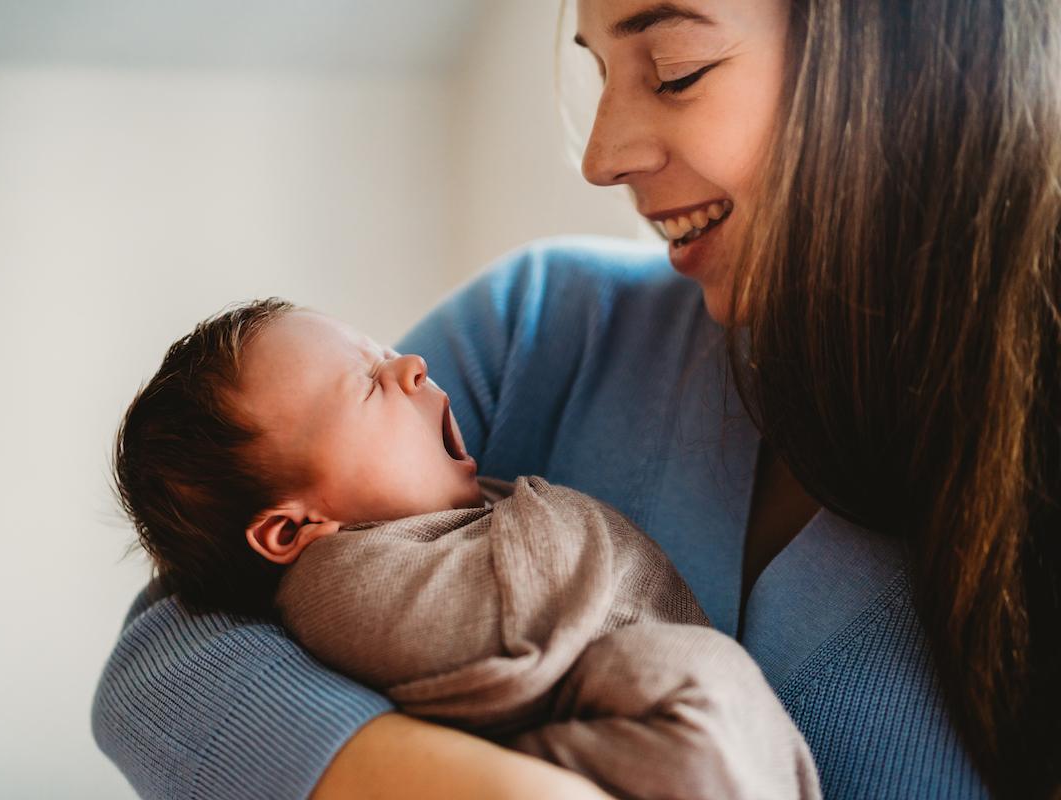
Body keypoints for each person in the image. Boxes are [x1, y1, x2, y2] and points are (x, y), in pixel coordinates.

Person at [92, 0, 1061, 798]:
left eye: (674, 68)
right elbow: (170, 664)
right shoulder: (543, 324)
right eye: (598, 71)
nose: (602, 155)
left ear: (905, 56)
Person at [110, 299, 822, 800]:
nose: (413, 366)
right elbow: (523, 620)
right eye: (366, 383)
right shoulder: (344, 585)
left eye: (385, 353)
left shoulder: (411, 520)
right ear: (292, 530)